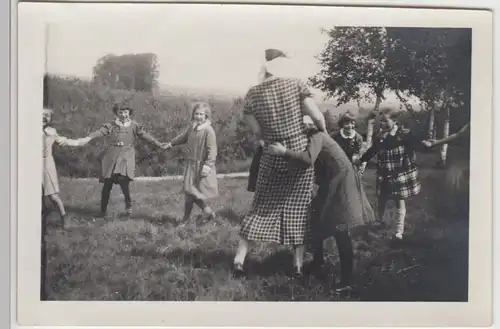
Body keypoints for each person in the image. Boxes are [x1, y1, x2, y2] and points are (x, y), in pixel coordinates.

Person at [232, 48, 327, 278]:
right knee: (299, 209)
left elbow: (257, 132)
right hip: (298, 156)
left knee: (260, 208)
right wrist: (323, 135)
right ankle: (297, 266)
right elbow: (317, 117)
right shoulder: (296, 85)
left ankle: (239, 260)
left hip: (271, 156)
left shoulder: (253, 93)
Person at [268, 115, 371, 291]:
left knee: (340, 228)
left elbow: (308, 159)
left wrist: (283, 152)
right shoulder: (315, 137)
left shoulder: (317, 136)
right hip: (332, 182)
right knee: (316, 218)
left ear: (308, 126)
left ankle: (347, 280)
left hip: (341, 183)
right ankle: (318, 261)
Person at [355, 108, 428, 244]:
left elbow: (417, 144)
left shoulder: (403, 134)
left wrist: (425, 144)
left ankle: (398, 231)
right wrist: (362, 159)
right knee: (382, 198)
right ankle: (380, 221)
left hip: (400, 172)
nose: (382, 123)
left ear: (394, 121)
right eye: (380, 121)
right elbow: (373, 150)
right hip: (385, 172)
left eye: (385, 121)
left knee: (399, 200)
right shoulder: (380, 136)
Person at [86, 105, 166, 219]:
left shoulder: (134, 126)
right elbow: (100, 132)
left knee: (124, 182)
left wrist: (158, 143)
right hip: (112, 156)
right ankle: (102, 211)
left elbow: (145, 135)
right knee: (107, 184)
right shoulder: (112, 125)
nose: (123, 115)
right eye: (120, 112)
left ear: (129, 113)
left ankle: (128, 210)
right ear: (116, 113)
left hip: (126, 156)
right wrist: (88, 138)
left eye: (125, 112)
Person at [164, 102, 219, 223]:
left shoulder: (208, 131)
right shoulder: (192, 127)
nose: (198, 116)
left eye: (201, 114)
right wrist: (171, 143)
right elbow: (183, 137)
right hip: (191, 164)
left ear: (206, 116)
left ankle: (195, 216)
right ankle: (203, 213)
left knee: (192, 192)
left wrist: (208, 166)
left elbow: (212, 150)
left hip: (202, 166)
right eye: (196, 114)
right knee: (189, 192)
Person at [42, 108, 91, 228]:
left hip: (47, 164)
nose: (44, 117)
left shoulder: (51, 132)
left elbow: (65, 141)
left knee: (52, 196)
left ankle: (64, 217)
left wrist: (80, 142)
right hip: (30, 164)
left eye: (47, 115)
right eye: (42, 114)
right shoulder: (27, 129)